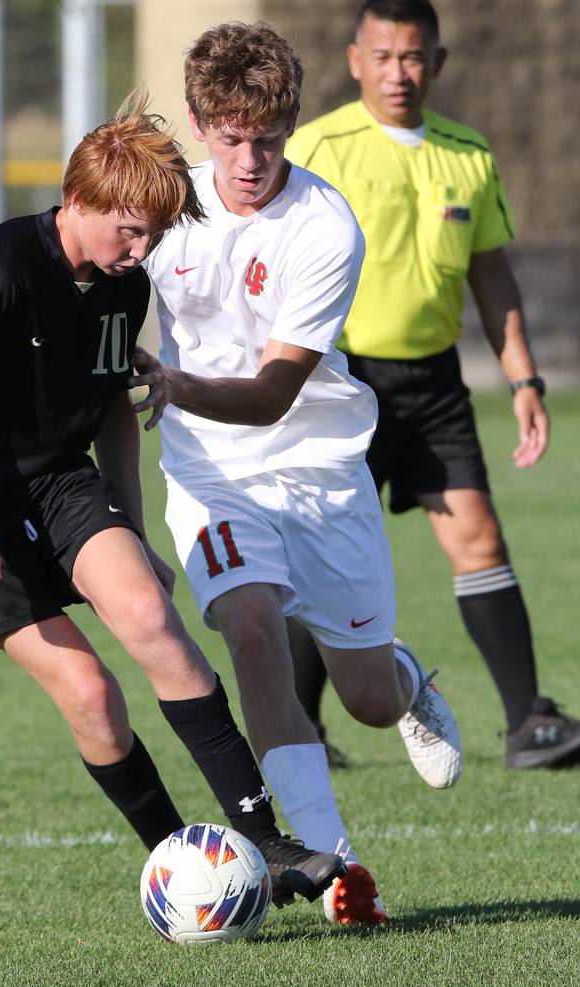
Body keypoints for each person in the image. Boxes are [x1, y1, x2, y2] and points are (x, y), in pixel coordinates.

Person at [0, 94, 349, 908]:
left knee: (154, 619)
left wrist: (125, 518)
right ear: (78, 201)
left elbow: (114, 404)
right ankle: (183, 868)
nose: (143, 248)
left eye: (155, 234)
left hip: (57, 476)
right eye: (129, 230)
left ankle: (264, 837)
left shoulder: (123, 283)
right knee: (90, 691)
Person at [131, 22, 462, 926]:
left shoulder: (324, 224)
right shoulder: (166, 211)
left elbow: (276, 391)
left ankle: (406, 680)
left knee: (362, 699)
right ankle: (338, 868)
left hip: (316, 467)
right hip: (212, 469)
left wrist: (170, 381)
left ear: (291, 124)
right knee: (250, 628)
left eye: (268, 139)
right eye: (232, 139)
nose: (250, 160)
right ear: (202, 126)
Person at [285, 0, 580, 771]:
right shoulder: (316, 148)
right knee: (323, 557)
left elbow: (493, 276)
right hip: (341, 380)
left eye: (413, 57)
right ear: (354, 61)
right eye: (382, 56)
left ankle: (528, 724)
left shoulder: (469, 156)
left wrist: (524, 378)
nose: (398, 73)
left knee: (480, 535)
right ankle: (295, 728)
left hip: (435, 383)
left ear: (438, 63)